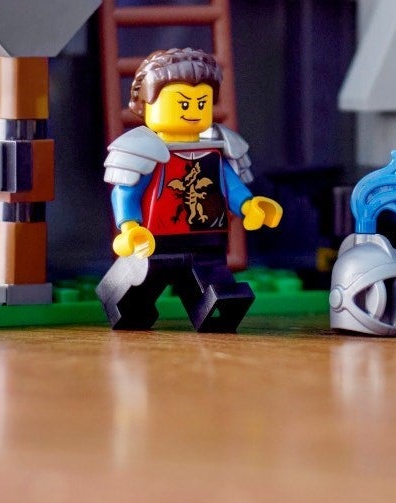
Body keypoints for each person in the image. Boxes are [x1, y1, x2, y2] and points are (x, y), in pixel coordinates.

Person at [98, 46, 282, 331]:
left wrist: (249, 205)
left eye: (202, 103)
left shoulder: (216, 147)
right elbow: (126, 192)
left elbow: (229, 184)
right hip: (155, 238)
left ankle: (214, 312)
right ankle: (126, 308)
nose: (194, 112)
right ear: (147, 103)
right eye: (183, 104)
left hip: (206, 235)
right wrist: (129, 226)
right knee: (138, 290)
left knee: (216, 285)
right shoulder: (143, 149)